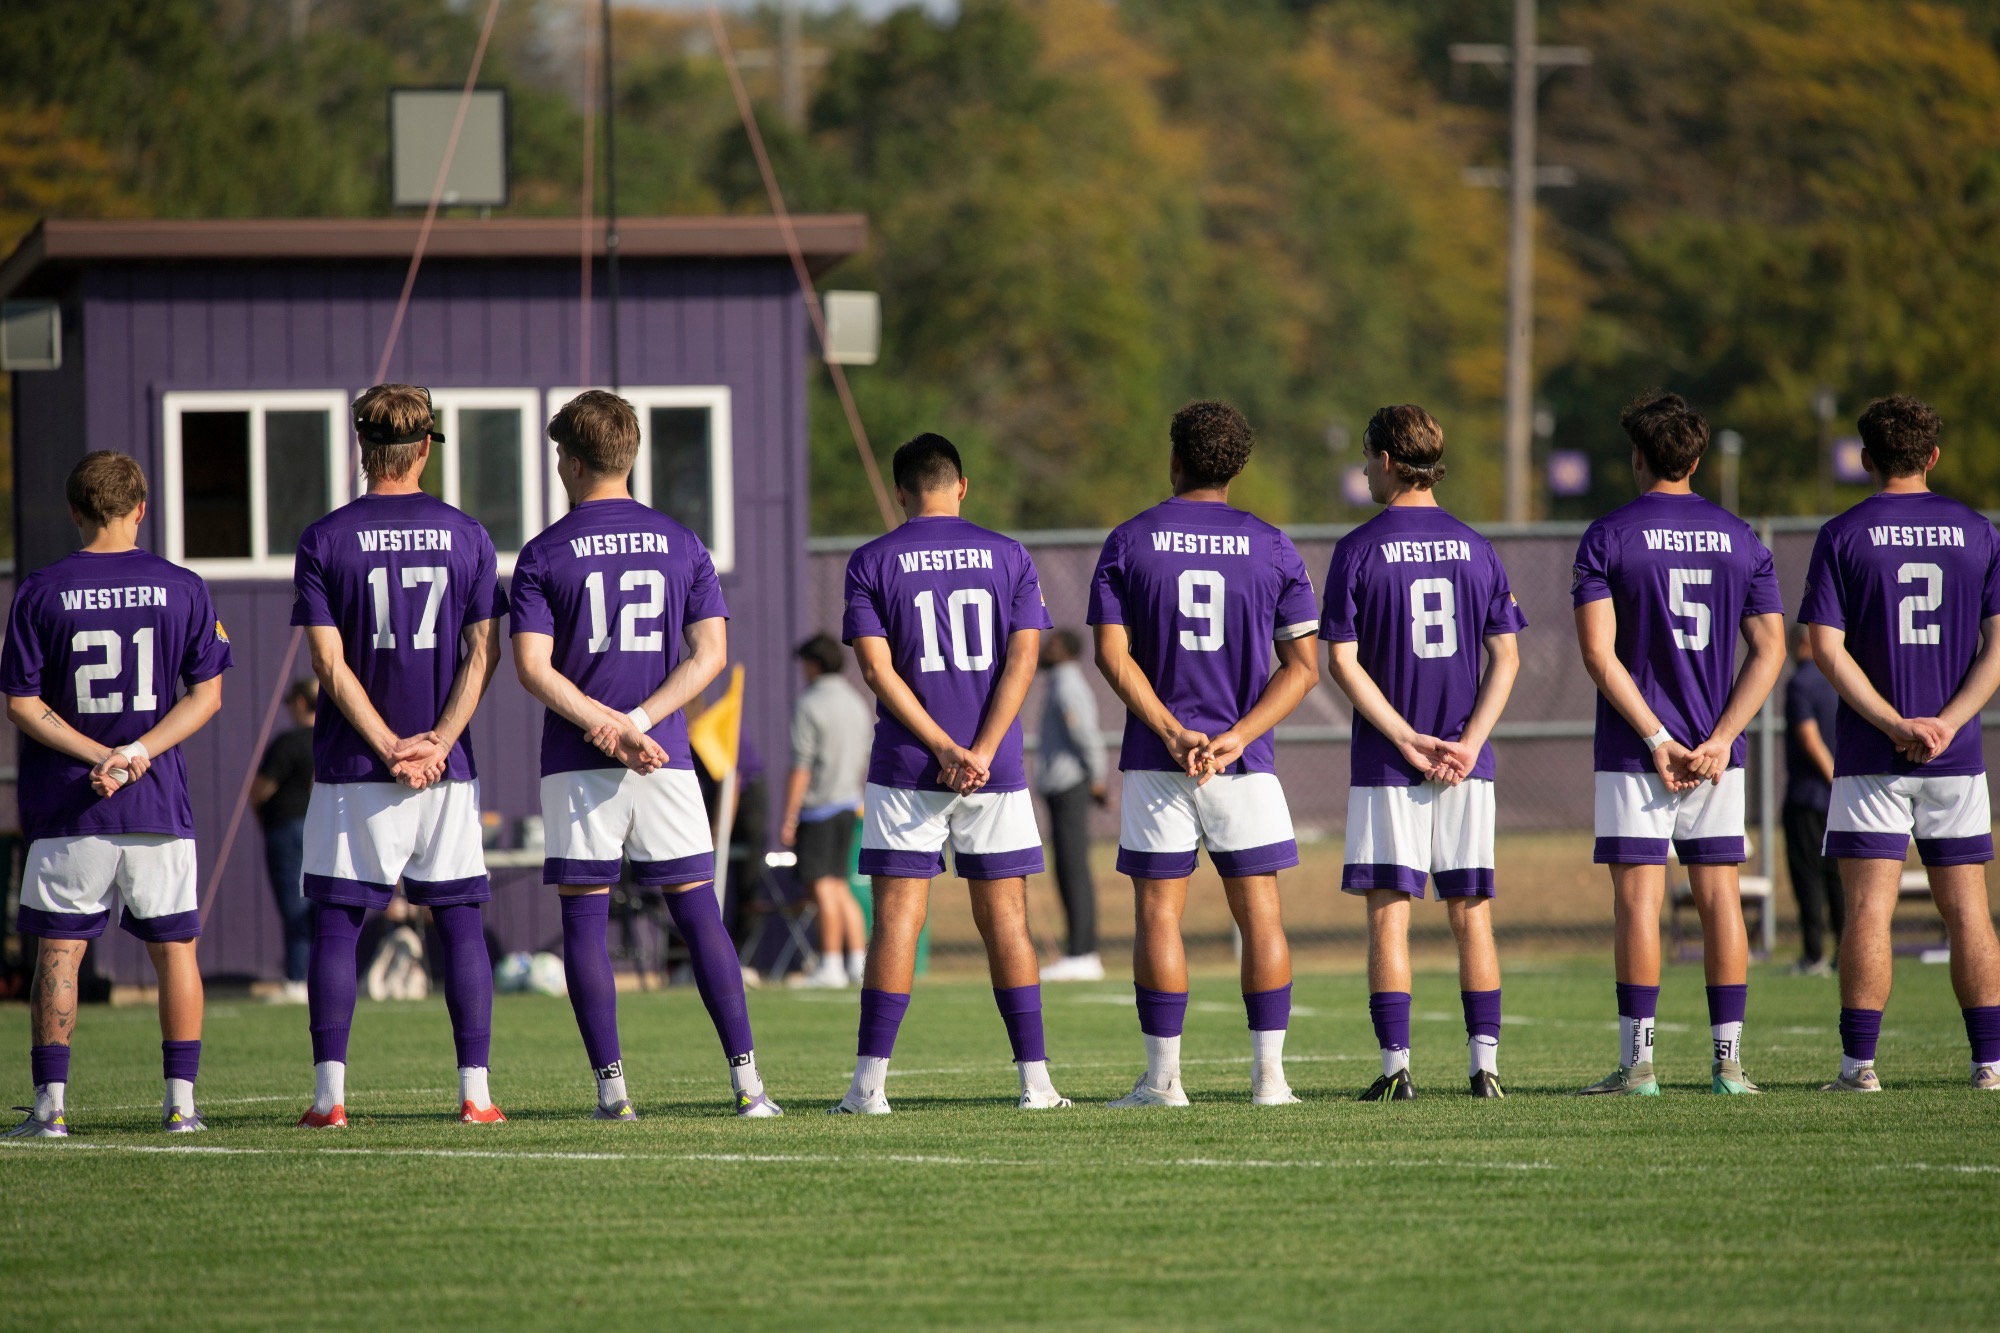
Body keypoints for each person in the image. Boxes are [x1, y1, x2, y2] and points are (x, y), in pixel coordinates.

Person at [511, 389, 779, 1119]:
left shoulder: (543, 552)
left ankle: (614, 1093)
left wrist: (605, 724)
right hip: (663, 757)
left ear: (567, 460)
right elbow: (711, 654)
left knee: (585, 923)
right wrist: (638, 722)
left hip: (579, 756)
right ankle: (749, 1086)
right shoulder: (682, 540)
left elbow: (533, 667)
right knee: (699, 916)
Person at [831, 433, 1072, 1114]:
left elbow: (877, 670)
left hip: (909, 764)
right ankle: (1036, 1082)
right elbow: (1025, 660)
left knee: (898, 920)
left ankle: (868, 1088)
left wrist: (941, 746)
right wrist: (983, 746)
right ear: (961, 486)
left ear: (901, 490)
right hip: (993, 769)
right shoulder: (1009, 554)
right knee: (1007, 922)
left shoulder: (872, 559)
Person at [1088, 400, 1319, 1108]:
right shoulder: (1274, 545)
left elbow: (1110, 654)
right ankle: (1270, 1081)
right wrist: (1239, 734)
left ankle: (1163, 1083)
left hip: (1160, 762)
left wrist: (1169, 728)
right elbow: (1303, 666)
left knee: (1159, 915)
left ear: (1174, 459)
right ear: (1239, 466)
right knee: (1262, 917)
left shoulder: (1129, 540)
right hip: (1242, 764)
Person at [293, 384, 507, 1128]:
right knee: (458, 921)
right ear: (423, 449)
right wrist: (438, 742)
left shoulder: (324, 538)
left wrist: (386, 744)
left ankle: (330, 1099)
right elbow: (486, 649)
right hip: (444, 767)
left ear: (362, 450)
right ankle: (475, 1094)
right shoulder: (469, 534)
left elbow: (327, 663)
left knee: (338, 923)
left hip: (357, 763)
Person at [2, 451, 231, 1137]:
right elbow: (209, 696)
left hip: (70, 805)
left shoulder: (40, 591)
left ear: (75, 511)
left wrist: (100, 754)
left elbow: (21, 704)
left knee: (59, 953)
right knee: (176, 952)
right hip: (154, 800)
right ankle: (181, 1106)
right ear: (141, 508)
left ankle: (50, 1109)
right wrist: (135, 753)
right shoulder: (183, 586)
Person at [1571, 391, 1786, 1097]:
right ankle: (1728, 1064)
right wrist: (1721, 737)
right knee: (1721, 897)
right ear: (1696, 459)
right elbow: (1770, 649)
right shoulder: (1742, 537)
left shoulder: (1607, 535)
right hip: (1716, 754)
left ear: (1639, 456)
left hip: (1638, 751)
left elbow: (1599, 656)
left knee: (1639, 901)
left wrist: (1658, 736)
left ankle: (1638, 1066)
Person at [1798, 395, 2000, 1093]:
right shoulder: (1978, 531)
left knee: (1866, 908)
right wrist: (1946, 721)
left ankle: (1860, 1068)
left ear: (1865, 458)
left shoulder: (1844, 532)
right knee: (1968, 906)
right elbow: (1998, 648)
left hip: (1870, 758)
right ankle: (1990, 1064)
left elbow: (1825, 650)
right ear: (1933, 456)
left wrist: (1892, 724)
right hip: (1957, 755)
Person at [1322, 405, 1524, 1100]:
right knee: (1471, 911)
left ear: (1384, 460)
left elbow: (1342, 663)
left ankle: (1395, 1068)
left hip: (1388, 762)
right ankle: (1484, 1067)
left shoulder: (1358, 547)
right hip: (1468, 762)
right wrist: (1469, 741)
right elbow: (1507, 656)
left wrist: (1404, 736)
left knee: (1389, 911)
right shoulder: (1477, 545)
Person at [780, 632, 872, 990]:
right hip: (850, 804)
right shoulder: (855, 702)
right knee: (839, 886)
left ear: (813, 664)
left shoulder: (810, 703)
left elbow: (801, 766)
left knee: (823, 889)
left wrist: (789, 816)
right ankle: (858, 963)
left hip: (819, 808)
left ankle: (831, 963)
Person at [1036, 628, 1108, 982]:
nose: (1043, 650)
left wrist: (1097, 779)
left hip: (1071, 786)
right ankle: (1078, 952)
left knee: (1074, 869)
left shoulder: (1067, 686)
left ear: (1064, 651)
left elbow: (1086, 735)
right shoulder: (1056, 684)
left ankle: (1083, 953)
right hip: (1060, 788)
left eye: (1051, 645)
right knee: (1065, 869)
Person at [1781, 623, 1843, 975]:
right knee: (1838, 878)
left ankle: (1813, 954)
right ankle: (1845, 953)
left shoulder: (1800, 683)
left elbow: (1808, 736)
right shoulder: (1841, 679)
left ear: (1803, 644)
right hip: (1842, 797)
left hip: (1808, 796)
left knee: (1808, 877)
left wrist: (1830, 775)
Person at [252, 678, 318, 1003]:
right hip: (321, 829)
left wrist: (261, 813)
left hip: (289, 828)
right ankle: (312, 977)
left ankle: (297, 979)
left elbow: (262, 788)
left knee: (296, 905)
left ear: (302, 703)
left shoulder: (289, 742)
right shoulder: (331, 739)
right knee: (319, 904)